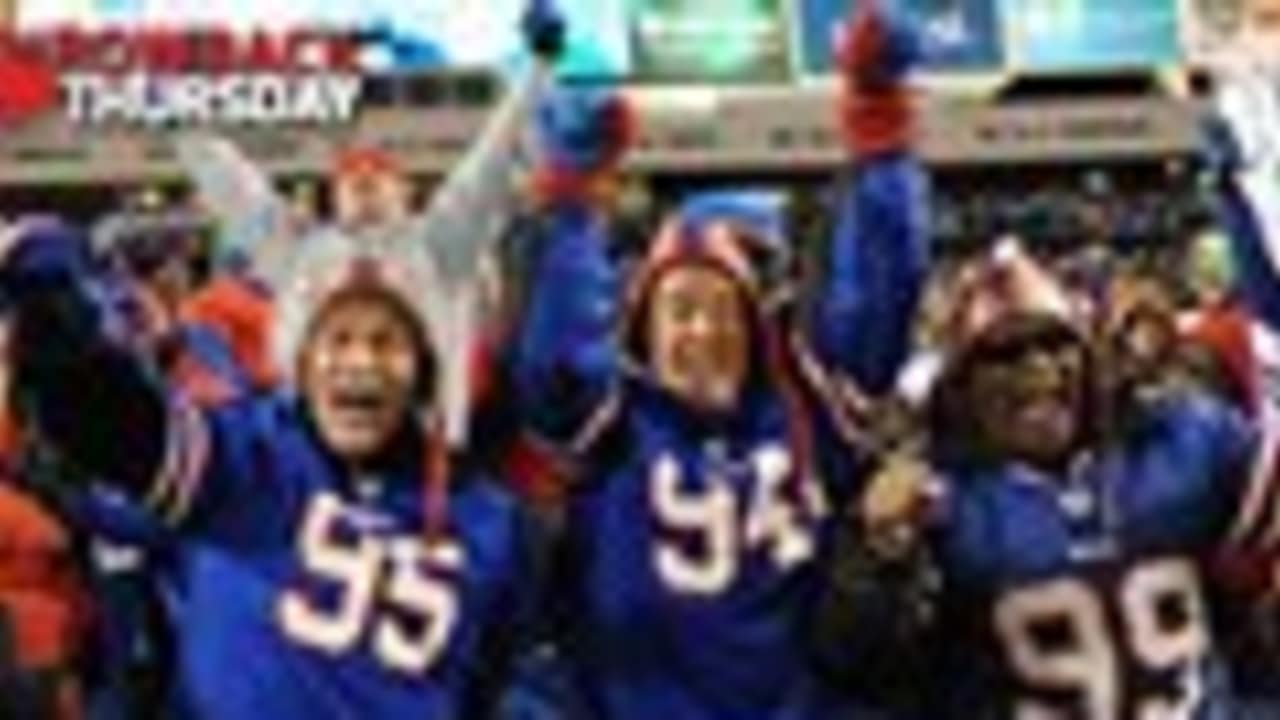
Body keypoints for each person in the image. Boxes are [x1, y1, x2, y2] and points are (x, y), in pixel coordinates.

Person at [514, 3, 929, 716]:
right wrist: (573, 204)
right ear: (643, 329)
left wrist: (878, 121)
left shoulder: (803, 405)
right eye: (680, 310)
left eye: (720, 308)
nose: (701, 331)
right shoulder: (610, 427)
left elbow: (879, 296)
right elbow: (556, 357)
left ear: (756, 321)